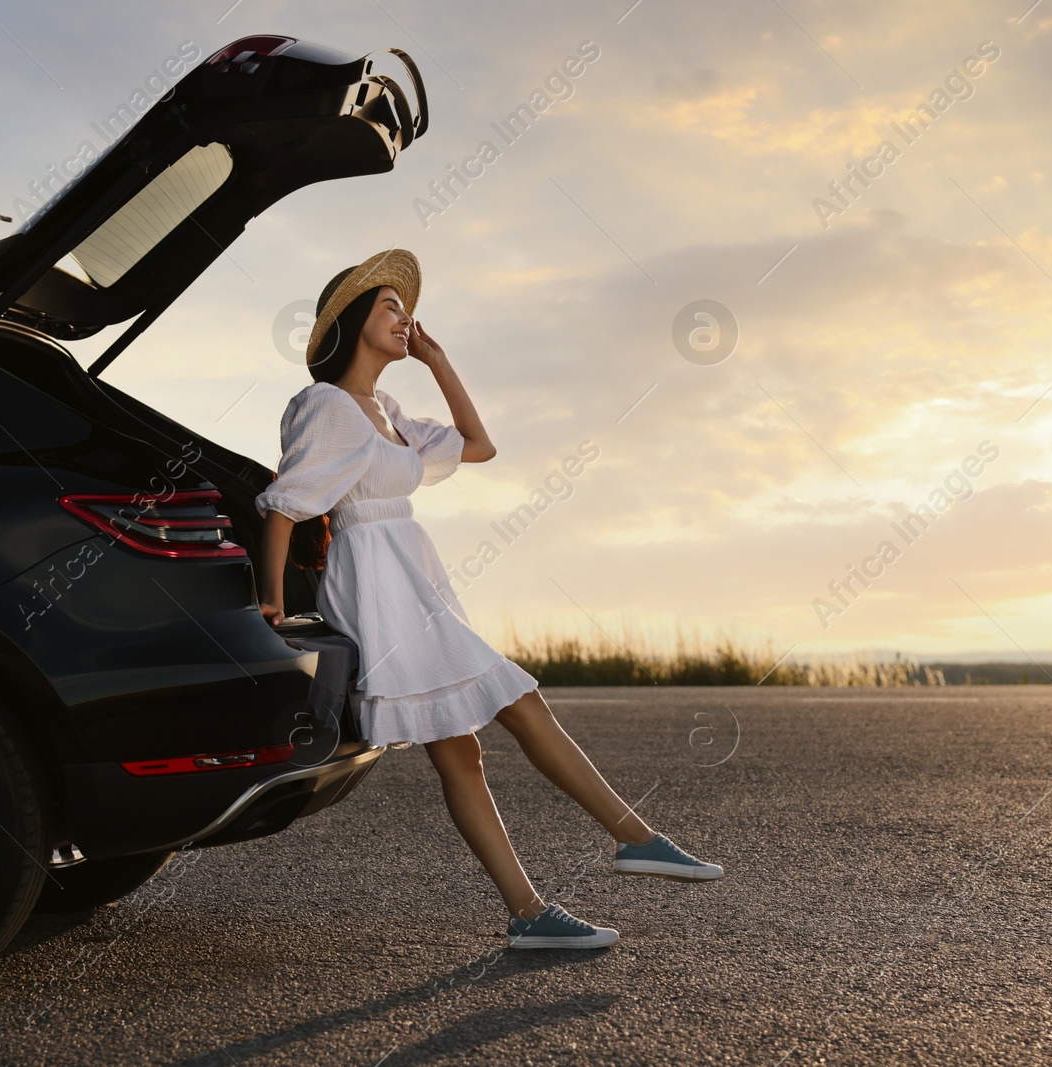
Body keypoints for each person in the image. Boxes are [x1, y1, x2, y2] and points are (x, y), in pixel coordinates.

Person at [254, 249, 723, 949]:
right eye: (387, 306)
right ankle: (635, 837)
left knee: (463, 752)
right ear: (351, 322)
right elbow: (284, 507)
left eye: (404, 309)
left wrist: (438, 360)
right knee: (518, 697)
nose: (402, 316)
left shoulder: (389, 411)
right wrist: (269, 602)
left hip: (415, 577)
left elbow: (481, 444)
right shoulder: (324, 406)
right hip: (378, 584)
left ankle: (531, 912)